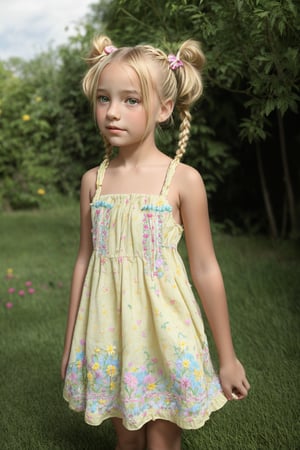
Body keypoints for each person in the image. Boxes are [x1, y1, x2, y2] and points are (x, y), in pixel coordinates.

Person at [61, 35, 250, 450]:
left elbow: (205, 268)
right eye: (103, 99)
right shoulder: (94, 182)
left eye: (131, 100)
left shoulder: (183, 181)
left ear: (164, 109)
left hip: (167, 335)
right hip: (110, 333)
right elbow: (83, 261)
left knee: (161, 443)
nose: (112, 112)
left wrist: (228, 356)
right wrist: (71, 342)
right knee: (126, 442)